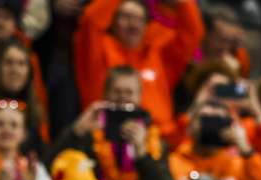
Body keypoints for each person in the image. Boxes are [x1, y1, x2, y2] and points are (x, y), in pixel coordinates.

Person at [49, 65, 175, 180]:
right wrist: (76, 131)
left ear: (139, 97)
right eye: (116, 91)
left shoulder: (152, 140)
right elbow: (52, 166)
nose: (123, 97)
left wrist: (142, 154)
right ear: (105, 95)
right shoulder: (89, 135)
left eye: (129, 92)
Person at [74, 0, 204, 139]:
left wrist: (184, 3)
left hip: (157, 139)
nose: (133, 24)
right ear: (112, 20)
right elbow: (91, 20)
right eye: (126, 16)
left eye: (140, 19)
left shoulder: (159, 55)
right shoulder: (98, 52)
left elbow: (191, 36)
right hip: (104, 135)